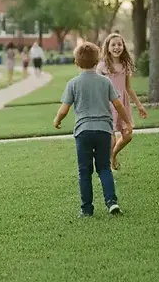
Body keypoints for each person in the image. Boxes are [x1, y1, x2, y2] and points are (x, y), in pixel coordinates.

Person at [54, 42, 131, 217]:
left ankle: (87, 209)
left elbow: (64, 109)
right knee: (104, 167)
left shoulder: (73, 84)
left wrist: (57, 120)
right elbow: (118, 105)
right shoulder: (105, 82)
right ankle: (111, 202)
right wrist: (127, 123)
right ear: (97, 61)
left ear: (76, 63)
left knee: (84, 170)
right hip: (104, 131)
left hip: (83, 132)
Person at [96, 33, 147, 170]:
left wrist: (139, 105)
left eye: (119, 44)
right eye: (113, 45)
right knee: (111, 139)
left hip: (122, 104)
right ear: (107, 48)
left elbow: (128, 88)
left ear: (123, 46)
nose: (117, 47)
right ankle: (106, 168)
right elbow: (97, 89)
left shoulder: (125, 65)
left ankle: (112, 156)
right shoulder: (101, 67)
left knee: (128, 136)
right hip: (108, 105)